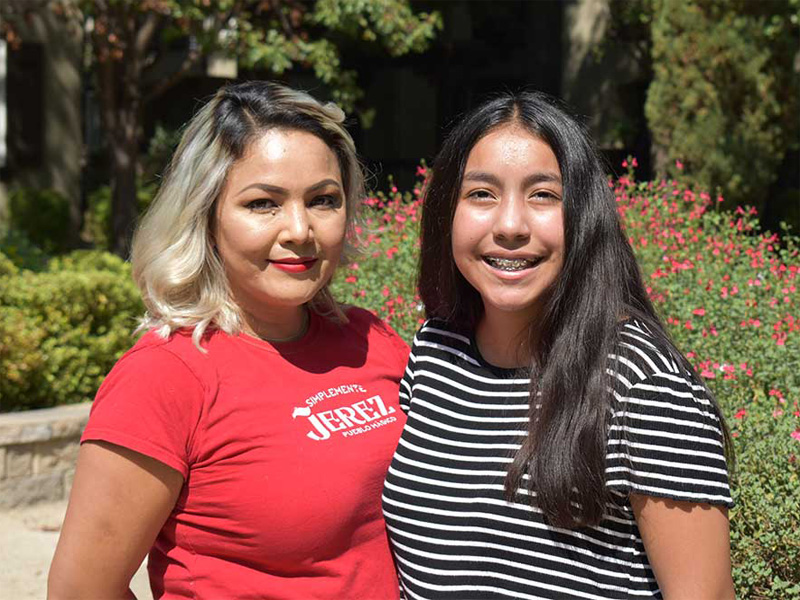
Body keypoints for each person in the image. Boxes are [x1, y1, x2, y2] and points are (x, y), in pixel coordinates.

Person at [49, 81, 409, 600]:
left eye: (323, 200)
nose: (300, 229)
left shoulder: (372, 339)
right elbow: (80, 590)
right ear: (205, 214)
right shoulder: (165, 376)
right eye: (263, 203)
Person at [382, 92, 735, 600]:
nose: (509, 226)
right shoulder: (436, 351)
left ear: (584, 215)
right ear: (447, 212)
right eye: (481, 194)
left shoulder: (644, 385)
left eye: (543, 195)